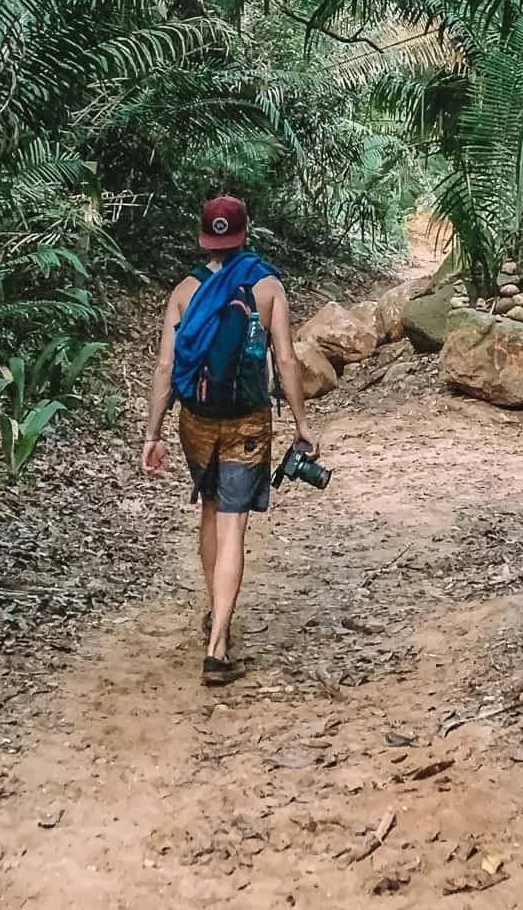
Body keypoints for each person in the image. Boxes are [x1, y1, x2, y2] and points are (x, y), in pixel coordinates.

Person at [141, 195, 320, 684]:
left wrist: (152, 433)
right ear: (245, 234)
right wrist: (303, 424)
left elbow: (164, 367)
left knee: (210, 509)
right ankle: (219, 644)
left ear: (205, 237)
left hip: (196, 420)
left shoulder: (184, 290)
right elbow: (284, 362)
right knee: (233, 525)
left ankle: (213, 609)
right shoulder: (266, 287)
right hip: (247, 421)